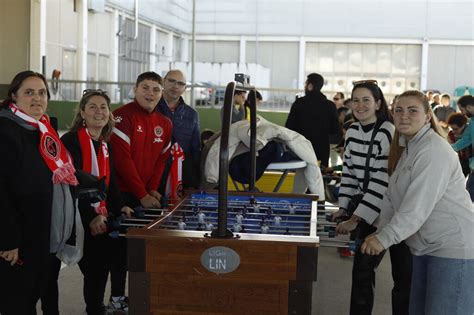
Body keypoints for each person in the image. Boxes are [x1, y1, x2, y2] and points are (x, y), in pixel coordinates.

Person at [361, 90, 474, 315]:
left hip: (452, 248)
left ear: (427, 116)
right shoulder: (409, 149)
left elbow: (417, 206)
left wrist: (384, 239)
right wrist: (379, 231)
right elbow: (393, 200)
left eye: (413, 110)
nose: (404, 116)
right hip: (424, 248)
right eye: (399, 110)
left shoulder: (434, 149)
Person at [0, 71, 79, 315]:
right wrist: (8, 240)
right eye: (29, 92)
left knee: (32, 298)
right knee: (17, 304)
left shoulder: (43, 128)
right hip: (18, 241)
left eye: (42, 92)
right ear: (14, 96)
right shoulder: (6, 131)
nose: (37, 98)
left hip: (44, 236)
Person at [333, 80, 412, 315]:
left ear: (378, 103)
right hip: (369, 209)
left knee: (402, 277)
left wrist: (355, 220)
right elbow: (348, 175)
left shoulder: (387, 131)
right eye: (355, 100)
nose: (360, 105)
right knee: (362, 273)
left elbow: (381, 180)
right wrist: (343, 208)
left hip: (396, 211)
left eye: (366, 100)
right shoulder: (353, 131)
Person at [61, 89, 134, 315]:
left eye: (103, 107)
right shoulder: (71, 141)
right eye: (92, 106)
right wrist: (92, 216)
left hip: (100, 214)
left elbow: (108, 183)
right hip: (78, 216)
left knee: (110, 260)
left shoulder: (104, 144)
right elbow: (71, 185)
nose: (99, 111)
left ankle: (109, 303)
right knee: (95, 268)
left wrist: (120, 205)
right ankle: (94, 308)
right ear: (82, 112)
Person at [109, 71, 172, 312]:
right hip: (122, 196)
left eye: (156, 89)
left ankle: (142, 298)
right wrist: (141, 194)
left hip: (146, 197)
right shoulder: (120, 117)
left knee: (145, 252)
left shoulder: (165, 123)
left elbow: (162, 160)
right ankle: (116, 299)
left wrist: (153, 190)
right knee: (119, 253)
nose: (151, 93)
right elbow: (123, 163)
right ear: (135, 90)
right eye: (145, 88)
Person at [157, 70, 201, 191]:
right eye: (172, 81)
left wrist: (194, 181)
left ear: (185, 88)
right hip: (154, 173)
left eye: (180, 83)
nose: (175, 86)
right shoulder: (152, 109)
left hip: (182, 174)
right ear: (163, 81)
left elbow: (195, 150)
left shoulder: (192, 114)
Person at [285, 73, 340, 167]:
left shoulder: (299, 103)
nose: (305, 87)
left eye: (305, 84)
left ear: (310, 86)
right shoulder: (330, 105)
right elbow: (335, 130)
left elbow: (289, 127)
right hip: (322, 150)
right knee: (319, 177)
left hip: (301, 149)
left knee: (301, 177)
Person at [451, 95, 474, 200]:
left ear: (469, 107)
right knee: (469, 193)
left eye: (462, 110)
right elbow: (466, 139)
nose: (462, 113)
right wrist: (447, 149)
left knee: (469, 194)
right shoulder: (472, 123)